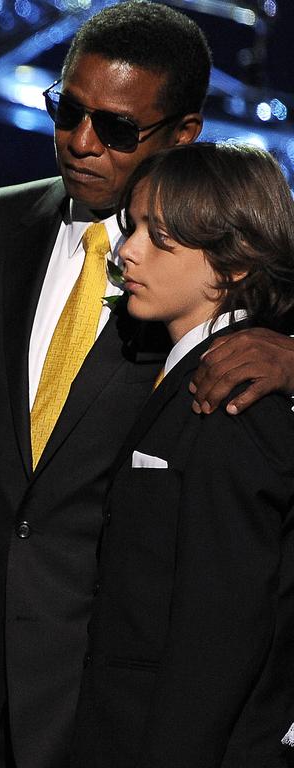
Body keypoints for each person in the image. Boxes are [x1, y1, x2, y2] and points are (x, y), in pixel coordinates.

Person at [0, 4, 294, 768]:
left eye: (118, 127)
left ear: (184, 132)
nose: (82, 142)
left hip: (119, 698)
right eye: (69, 111)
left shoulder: (219, 269)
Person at [70, 141, 294, 767]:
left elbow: (221, 631)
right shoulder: (187, 373)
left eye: (160, 239)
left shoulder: (234, 398)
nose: (126, 251)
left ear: (236, 262)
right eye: (131, 226)